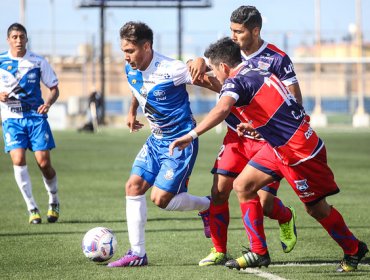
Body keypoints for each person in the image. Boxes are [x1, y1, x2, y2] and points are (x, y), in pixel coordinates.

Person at [169, 37, 368, 272]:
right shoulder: (259, 69)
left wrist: (191, 135)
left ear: (223, 67)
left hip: (299, 153)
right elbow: (281, 105)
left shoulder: (235, 81)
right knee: (242, 186)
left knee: (316, 208)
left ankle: (354, 249)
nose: (214, 75)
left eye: (214, 69)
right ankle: (259, 252)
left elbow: (222, 109)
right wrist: (258, 126)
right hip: (279, 146)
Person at [187, 5, 300, 266]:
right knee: (219, 191)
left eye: (239, 31)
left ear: (255, 31)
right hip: (235, 137)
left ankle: (284, 217)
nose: (234, 36)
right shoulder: (229, 54)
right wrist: (199, 61)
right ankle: (219, 250)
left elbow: (294, 100)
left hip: (266, 140)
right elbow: (221, 83)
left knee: (264, 202)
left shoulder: (277, 59)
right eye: (232, 31)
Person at [107, 21, 220, 268]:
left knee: (161, 200)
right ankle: (137, 253)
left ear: (146, 46)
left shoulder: (172, 69)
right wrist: (131, 111)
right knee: (133, 186)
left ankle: (207, 206)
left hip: (179, 143)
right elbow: (137, 89)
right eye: (123, 50)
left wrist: (201, 61)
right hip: (155, 140)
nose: (126, 57)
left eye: (130, 51)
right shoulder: (130, 67)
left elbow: (211, 81)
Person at [0, 23, 60, 224]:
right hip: (11, 119)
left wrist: (48, 103)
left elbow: (54, 88)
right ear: (8, 39)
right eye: (15, 37)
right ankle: (32, 207)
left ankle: (53, 200)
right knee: (18, 159)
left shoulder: (38, 61)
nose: (18, 40)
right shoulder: (0, 61)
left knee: (44, 163)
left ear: (27, 39)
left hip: (35, 118)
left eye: (22, 37)